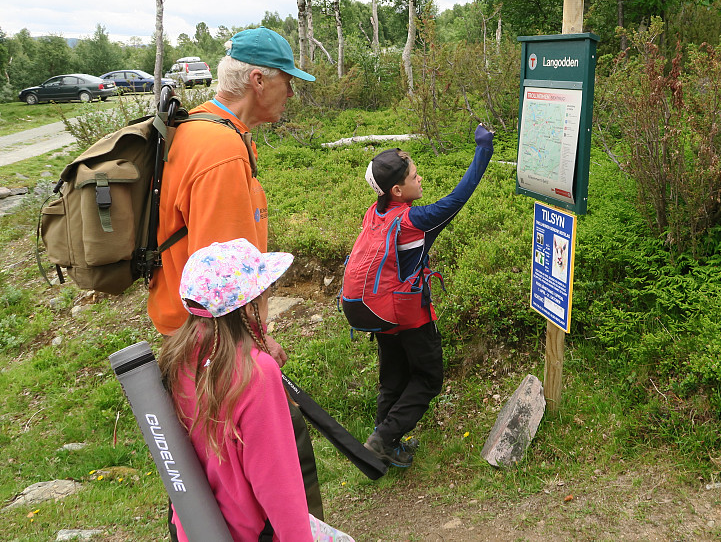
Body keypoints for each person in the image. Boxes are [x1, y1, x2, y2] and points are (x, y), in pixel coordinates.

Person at [147, 27, 324, 525]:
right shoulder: (222, 152)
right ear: (257, 80)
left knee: (203, 483)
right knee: (279, 475)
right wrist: (258, 344)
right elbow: (224, 275)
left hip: (188, 343)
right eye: (288, 79)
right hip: (218, 350)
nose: (293, 90)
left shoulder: (197, 130)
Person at [161, 238, 354, 542]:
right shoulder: (255, 374)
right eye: (265, 298)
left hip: (197, 529)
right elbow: (278, 487)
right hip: (252, 533)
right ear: (249, 308)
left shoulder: (177, 357)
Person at [341, 124, 494, 467]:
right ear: (396, 189)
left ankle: (383, 446)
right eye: (413, 176)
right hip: (405, 311)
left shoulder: (376, 212)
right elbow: (459, 197)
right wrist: (483, 151)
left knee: (393, 379)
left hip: (375, 309)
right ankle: (382, 439)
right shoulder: (416, 220)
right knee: (428, 378)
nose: (420, 177)